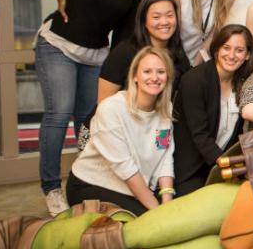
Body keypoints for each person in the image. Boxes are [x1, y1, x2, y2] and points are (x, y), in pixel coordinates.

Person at [23, 0, 144, 216]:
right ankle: (51, 188)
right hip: (58, 46)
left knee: (89, 121)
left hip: (96, 55)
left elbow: (124, 34)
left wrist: (117, 71)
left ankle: (85, 181)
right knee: (59, 112)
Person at [65, 46, 176, 216]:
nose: (154, 77)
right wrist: (158, 212)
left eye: (161, 72)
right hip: (92, 184)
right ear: (135, 76)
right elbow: (126, 169)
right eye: (147, 71)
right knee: (148, 221)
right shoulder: (111, 109)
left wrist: (167, 200)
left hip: (137, 185)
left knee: (177, 209)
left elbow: (164, 155)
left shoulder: (165, 109)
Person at [173, 25, 253, 196]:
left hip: (221, 167)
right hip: (191, 170)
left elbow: (237, 133)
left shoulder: (244, 82)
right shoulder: (194, 80)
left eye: (239, 50)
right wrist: (230, 165)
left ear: (248, 55)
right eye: (226, 48)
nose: (231, 55)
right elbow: (200, 136)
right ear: (217, 49)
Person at [97, 0, 191, 103]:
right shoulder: (124, 53)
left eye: (170, 15)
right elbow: (103, 103)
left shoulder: (178, 54)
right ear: (144, 22)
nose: (164, 22)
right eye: (156, 17)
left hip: (155, 118)